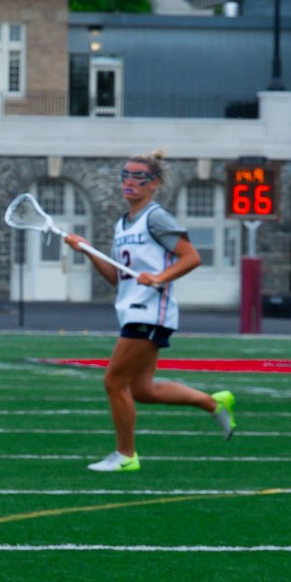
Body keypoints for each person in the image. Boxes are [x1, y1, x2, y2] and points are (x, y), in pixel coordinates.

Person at [64, 150, 237, 472]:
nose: (129, 181)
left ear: (154, 183)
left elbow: (191, 257)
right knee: (142, 390)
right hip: (131, 310)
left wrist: (160, 277)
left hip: (150, 312)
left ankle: (126, 455)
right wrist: (86, 250)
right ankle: (213, 402)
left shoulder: (156, 218)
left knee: (114, 381)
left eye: (138, 177)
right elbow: (116, 277)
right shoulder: (123, 223)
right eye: (125, 175)